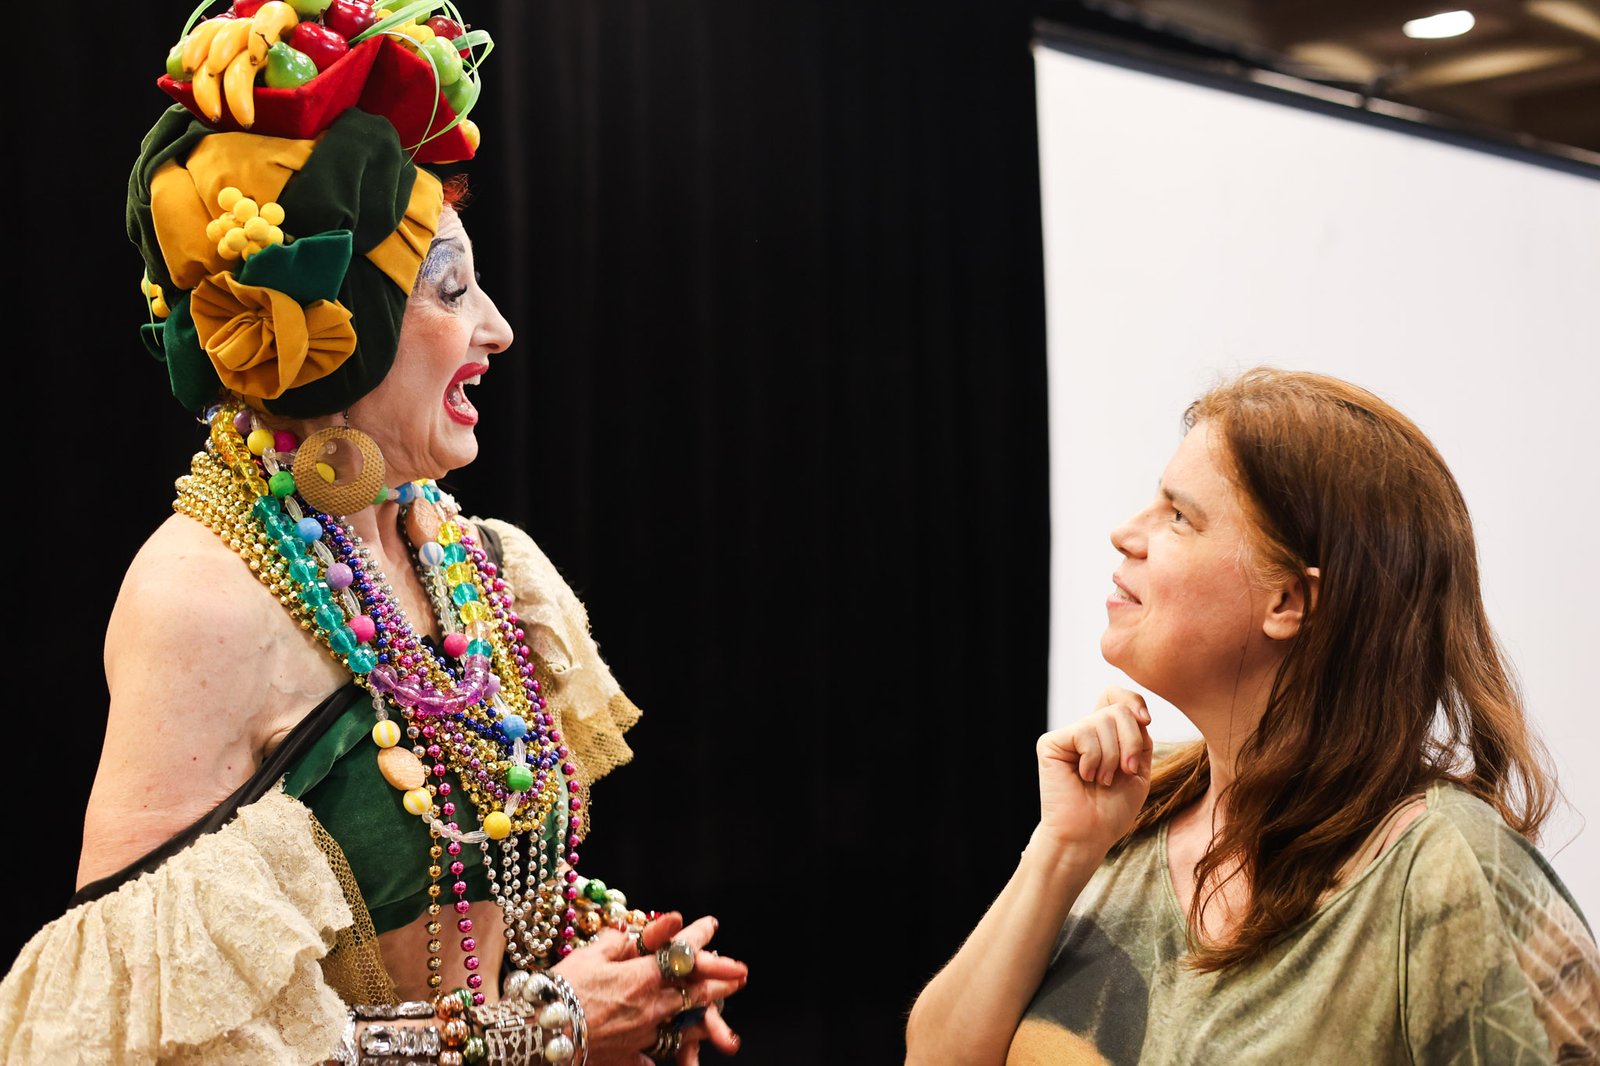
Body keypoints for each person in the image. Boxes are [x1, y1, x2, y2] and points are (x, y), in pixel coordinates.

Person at [0, 5, 745, 1064]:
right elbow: (128, 1043)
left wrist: (603, 961)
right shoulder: (201, 596)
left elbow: (475, 903)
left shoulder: (471, 560)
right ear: (335, 331)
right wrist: (544, 1031)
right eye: (449, 288)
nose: (497, 327)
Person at [906, 367, 1599, 1065]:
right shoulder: (1126, 817)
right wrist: (1062, 849)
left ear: (1288, 602)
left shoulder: (1443, 870)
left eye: (1180, 517)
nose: (1126, 534)